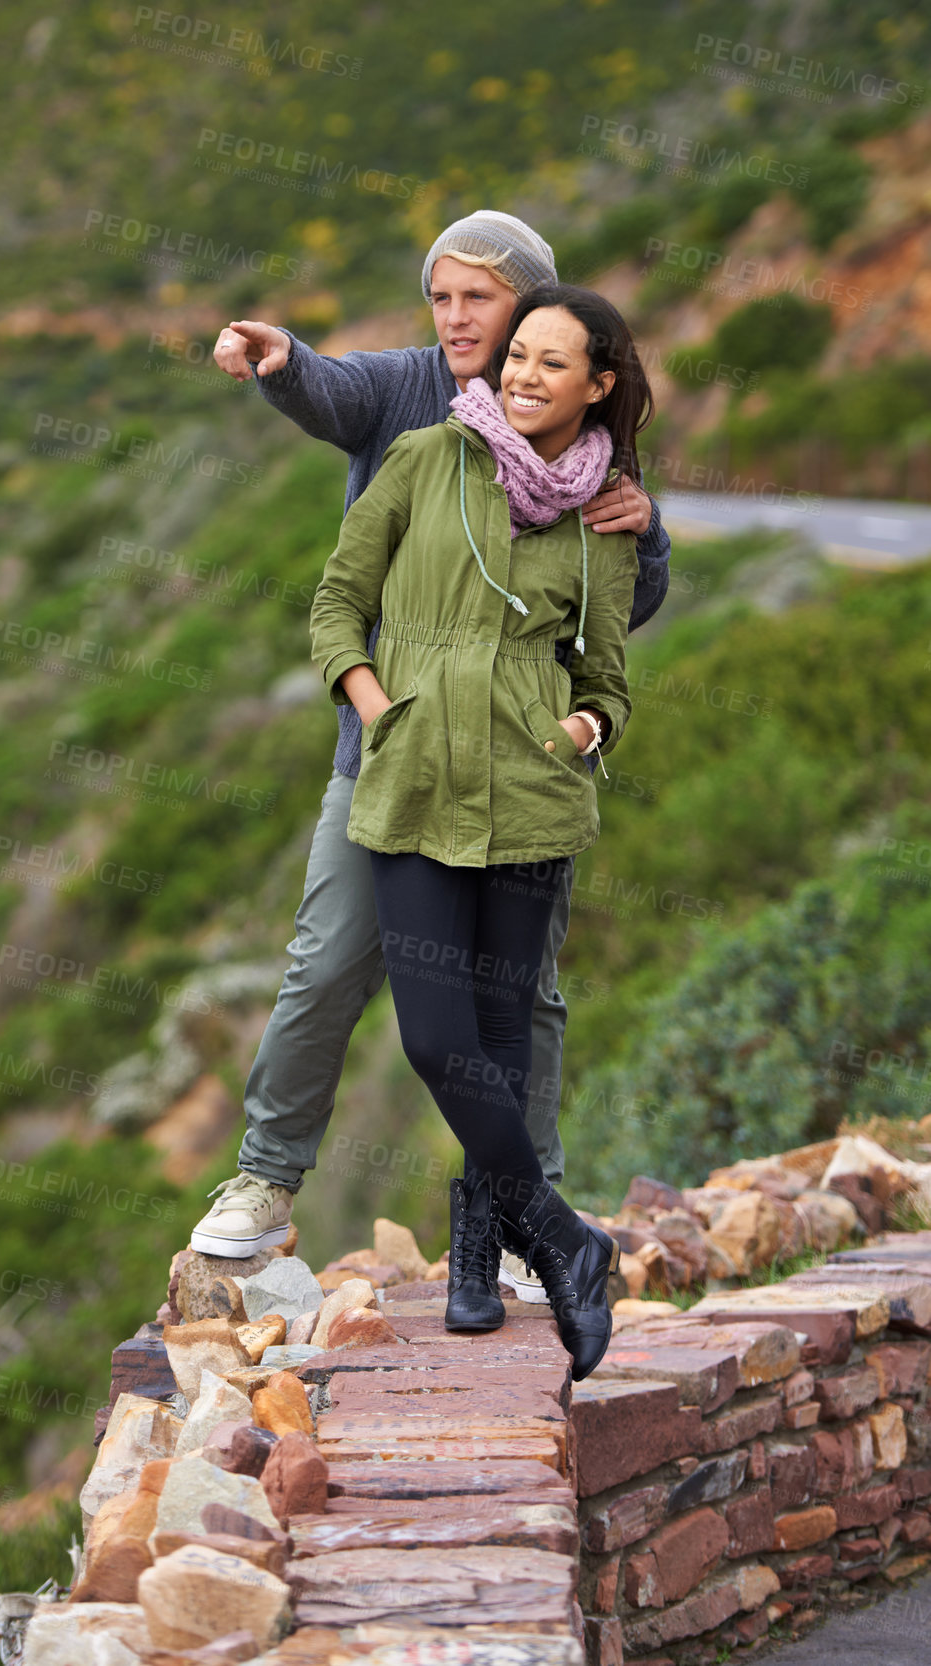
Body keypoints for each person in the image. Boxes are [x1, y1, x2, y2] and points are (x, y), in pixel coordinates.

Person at [189, 213, 670, 1304]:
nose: (457, 321)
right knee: (328, 962)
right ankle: (265, 1180)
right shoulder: (411, 394)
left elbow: (622, 606)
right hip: (391, 761)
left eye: (480, 301)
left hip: (516, 781)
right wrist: (280, 362)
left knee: (521, 999)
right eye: (440, 297)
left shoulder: (577, 424)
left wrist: (634, 538)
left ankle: (513, 1218)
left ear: (540, 316)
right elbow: (333, 392)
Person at [308, 283, 650, 1374]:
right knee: (433, 1039)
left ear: (597, 385)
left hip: (530, 797)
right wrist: (374, 704)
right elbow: (333, 601)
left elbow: (608, 676)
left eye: (552, 363)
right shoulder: (424, 460)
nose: (521, 374)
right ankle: (564, 1238)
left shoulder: (603, 515)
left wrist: (582, 726)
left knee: (501, 1039)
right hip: (409, 786)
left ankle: (473, 1261)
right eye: (517, 356)